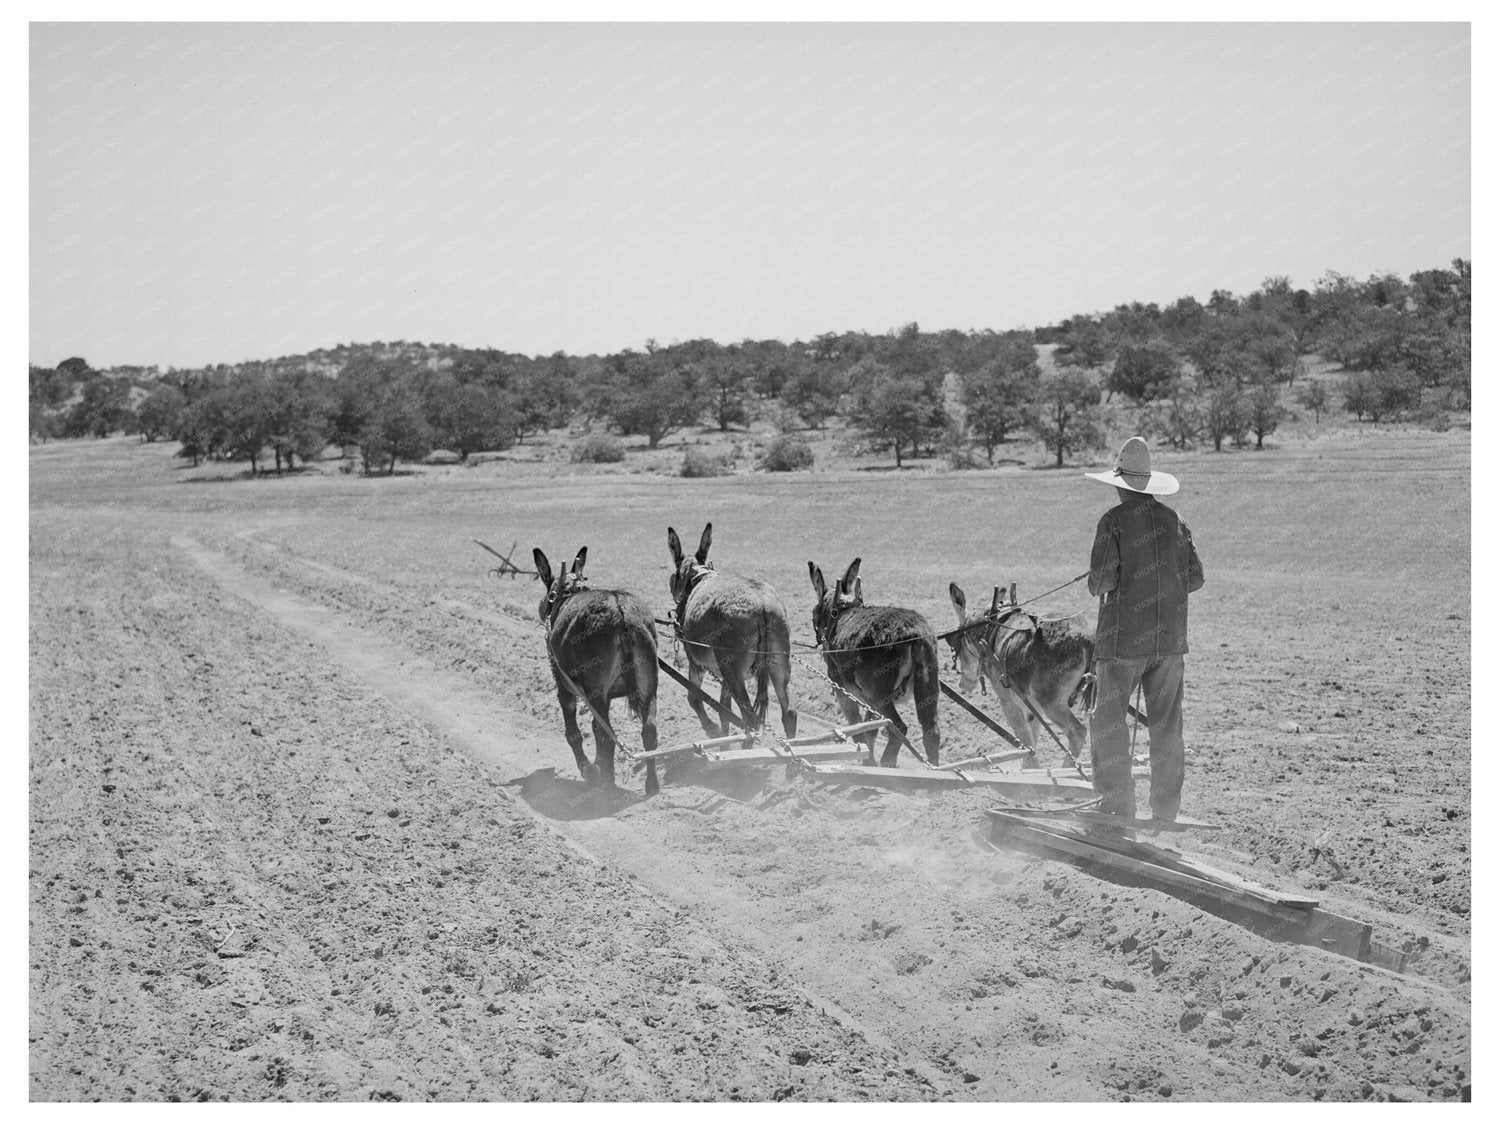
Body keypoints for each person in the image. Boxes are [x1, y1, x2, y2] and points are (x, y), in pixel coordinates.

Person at [1084, 436, 1204, 821]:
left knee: (1108, 722)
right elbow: (1196, 578)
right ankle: (1165, 810)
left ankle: (1117, 806)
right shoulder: (1175, 521)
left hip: (1122, 643)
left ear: (1119, 486)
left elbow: (1099, 583)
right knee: (1167, 726)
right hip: (1170, 643)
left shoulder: (1113, 521)